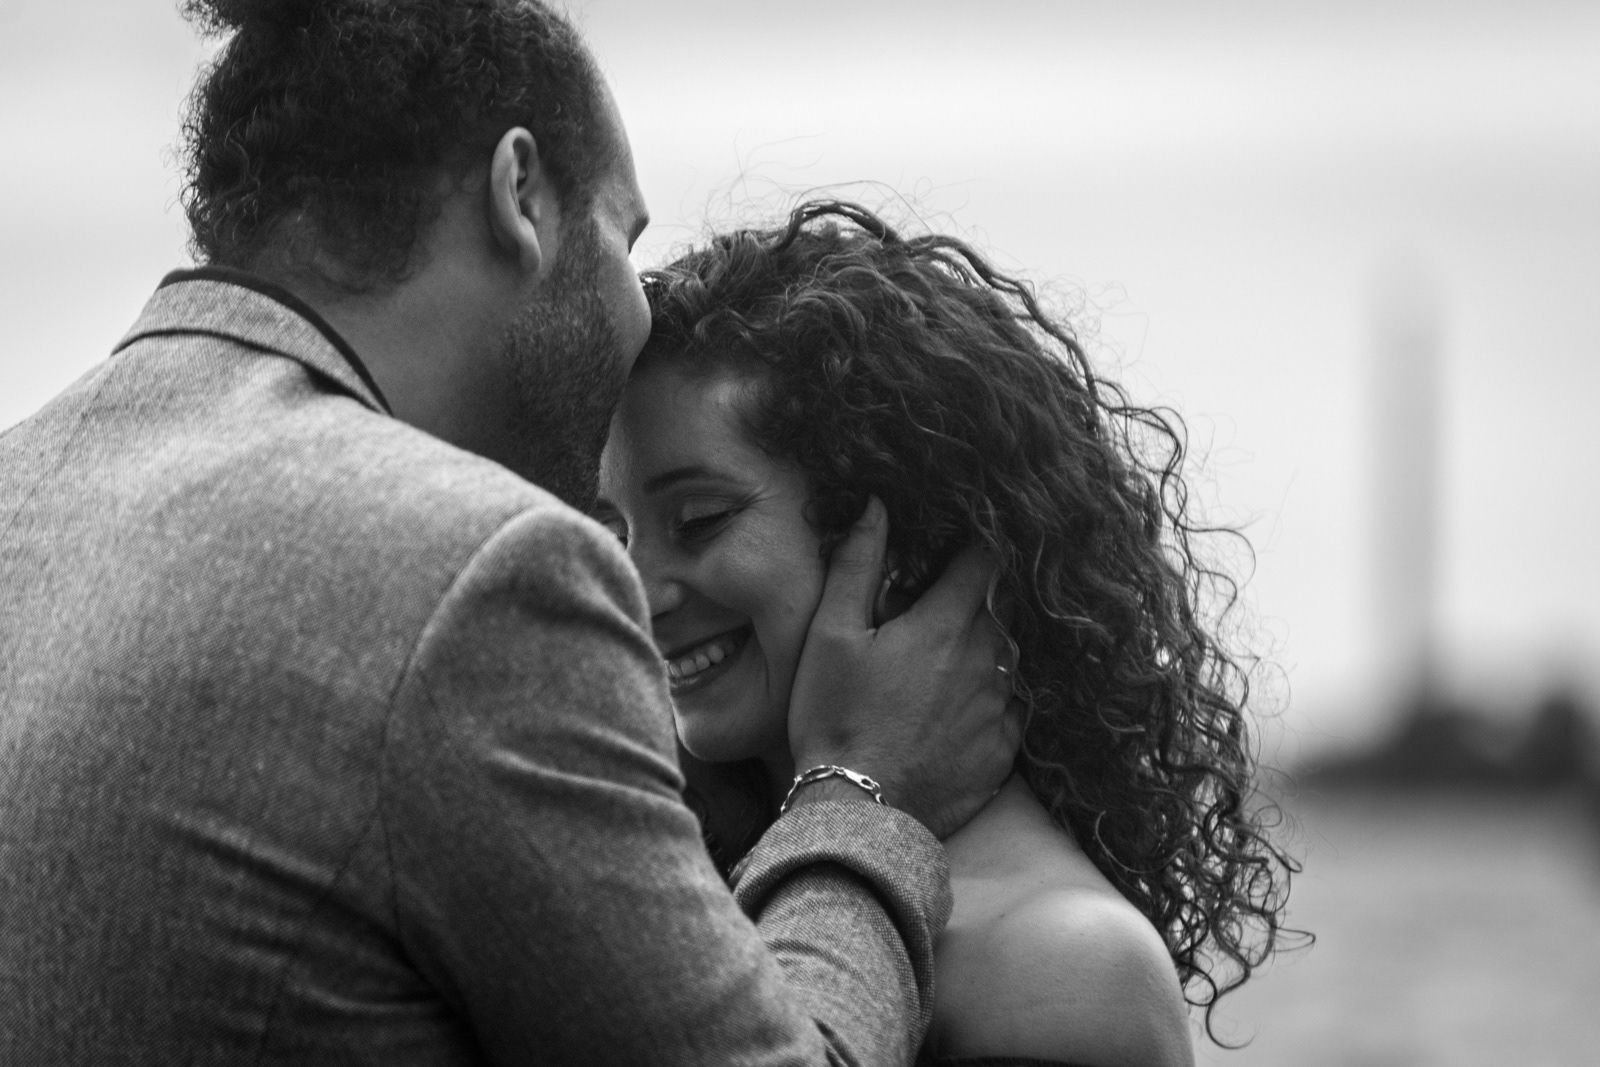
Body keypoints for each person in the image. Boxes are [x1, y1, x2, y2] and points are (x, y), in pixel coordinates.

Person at [0, 4, 1023, 1065]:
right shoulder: (475, 571)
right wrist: (858, 789)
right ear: (520, 193)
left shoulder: (20, 490)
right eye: (624, 238)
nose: (638, 313)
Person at [596, 201, 1299, 1066]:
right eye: (610, 532)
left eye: (700, 519)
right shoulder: (698, 881)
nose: (634, 587)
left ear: (901, 534)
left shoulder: (1061, 967)